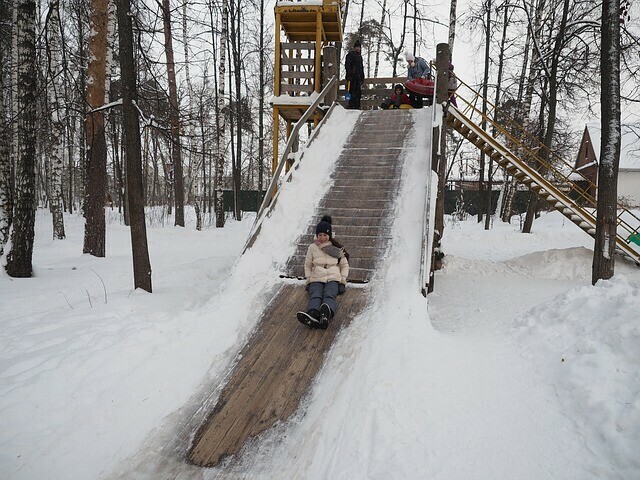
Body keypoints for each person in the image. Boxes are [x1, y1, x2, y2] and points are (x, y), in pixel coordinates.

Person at [297, 215, 349, 329]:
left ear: (329, 235)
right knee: (315, 295)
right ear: (317, 235)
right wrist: (309, 279)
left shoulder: (335, 248)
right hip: (317, 277)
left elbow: (344, 265)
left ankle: (326, 314)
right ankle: (313, 314)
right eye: (320, 235)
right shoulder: (312, 248)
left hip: (333, 277)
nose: (322, 238)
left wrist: (342, 280)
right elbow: (308, 265)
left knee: (329, 295)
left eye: (325, 235)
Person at [345, 40, 365, 109]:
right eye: (357, 47)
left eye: (359, 47)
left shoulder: (360, 57)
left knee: (358, 92)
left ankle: (357, 105)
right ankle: (352, 105)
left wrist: (362, 76)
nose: (358, 48)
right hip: (352, 77)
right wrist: (349, 73)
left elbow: (361, 67)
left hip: (358, 77)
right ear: (354, 48)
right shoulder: (350, 55)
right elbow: (347, 65)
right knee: (352, 92)